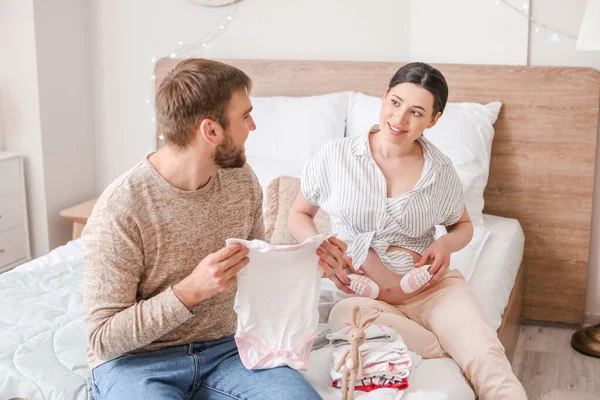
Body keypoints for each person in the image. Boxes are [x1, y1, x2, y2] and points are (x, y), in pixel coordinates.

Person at [83, 58, 322, 400]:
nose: (252, 126)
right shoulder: (122, 209)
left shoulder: (241, 181)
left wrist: (310, 263)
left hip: (226, 350)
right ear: (211, 131)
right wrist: (189, 291)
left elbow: (257, 271)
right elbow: (102, 338)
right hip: (135, 363)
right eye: (245, 116)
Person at [288, 62, 527, 399]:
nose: (399, 119)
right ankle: (448, 347)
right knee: (347, 318)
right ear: (384, 96)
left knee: (489, 360)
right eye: (396, 102)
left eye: (416, 112)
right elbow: (299, 213)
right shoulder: (335, 156)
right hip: (362, 297)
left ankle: (464, 346)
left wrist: (445, 244)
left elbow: (463, 226)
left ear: (433, 120)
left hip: (433, 292)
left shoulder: (439, 170)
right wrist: (322, 249)